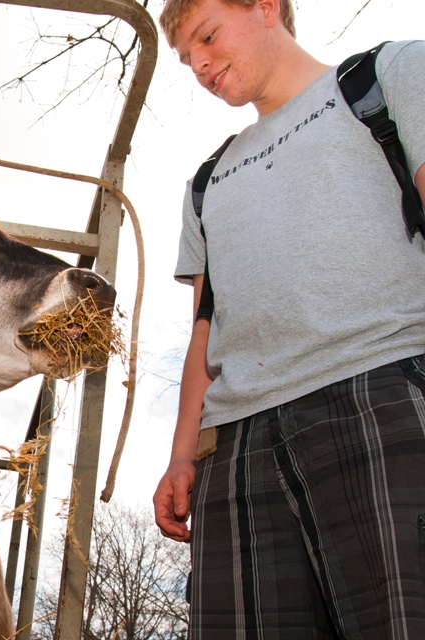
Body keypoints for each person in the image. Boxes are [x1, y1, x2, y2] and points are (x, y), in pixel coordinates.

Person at [151, 0, 425, 637]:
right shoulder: (206, 181)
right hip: (237, 452)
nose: (202, 65)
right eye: (188, 59)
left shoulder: (386, 79)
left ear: (267, 7)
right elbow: (204, 336)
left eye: (209, 36)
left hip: (380, 392)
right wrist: (183, 456)